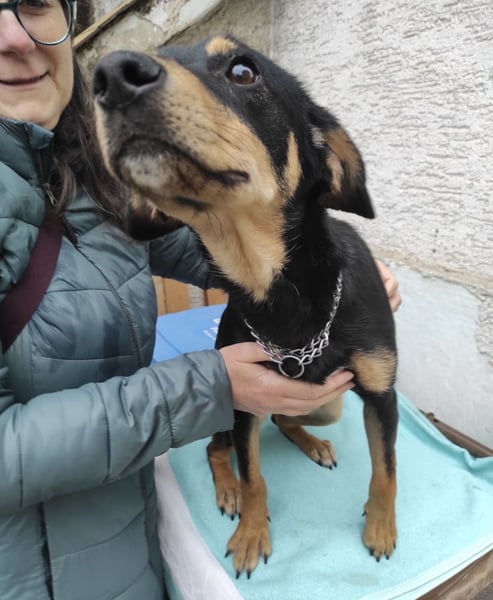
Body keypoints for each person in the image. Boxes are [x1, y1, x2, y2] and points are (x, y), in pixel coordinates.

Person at [0, 2, 401, 599]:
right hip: (35, 573)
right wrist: (211, 387)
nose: (13, 36)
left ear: (325, 158)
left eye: (239, 72)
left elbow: (205, 248)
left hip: (139, 534)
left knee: (328, 413)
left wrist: (354, 273)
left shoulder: (83, 180)